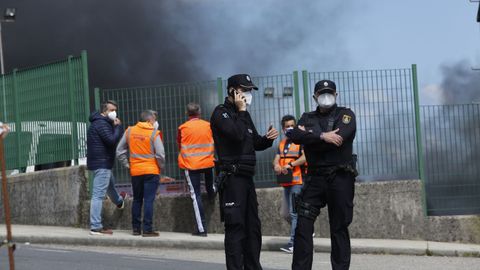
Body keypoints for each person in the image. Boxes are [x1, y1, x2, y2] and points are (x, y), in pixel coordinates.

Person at [210, 74, 279, 270]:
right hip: (232, 180)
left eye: (250, 90)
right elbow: (237, 135)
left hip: (247, 179)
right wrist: (241, 111)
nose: (248, 94)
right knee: (236, 227)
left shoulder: (244, 115)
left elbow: (253, 141)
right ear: (233, 90)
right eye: (245, 90)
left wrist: (267, 139)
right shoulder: (220, 113)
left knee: (253, 228)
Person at [287, 80, 357, 270]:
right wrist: (322, 136)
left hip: (339, 176)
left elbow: (340, 138)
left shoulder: (346, 114)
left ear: (336, 94)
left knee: (339, 227)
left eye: (329, 93)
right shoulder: (307, 116)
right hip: (315, 178)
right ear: (314, 97)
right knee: (303, 224)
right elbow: (293, 135)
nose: (326, 96)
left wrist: (309, 135)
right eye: (322, 93)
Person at [117, 110, 165, 237]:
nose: (155, 123)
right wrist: (161, 166)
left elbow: (119, 151)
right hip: (151, 171)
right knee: (149, 200)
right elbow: (160, 154)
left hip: (136, 171)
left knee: (137, 199)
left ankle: (136, 229)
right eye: (154, 120)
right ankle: (147, 229)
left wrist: (127, 164)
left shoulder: (129, 131)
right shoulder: (154, 133)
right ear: (149, 121)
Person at [87, 100, 125, 235]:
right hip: (102, 163)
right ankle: (96, 226)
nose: (114, 112)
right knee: (98, 195)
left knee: (110, 186)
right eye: (111, 110)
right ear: (104, 111)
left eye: (115, 110)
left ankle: (119, 201)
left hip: (102, 162)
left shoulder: (99, 122)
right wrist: (118, 128)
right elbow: (111, 140)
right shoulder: (102, 124)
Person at [177, 102, 216, 237]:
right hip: (208, 162)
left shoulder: (182, 128)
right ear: (199, 112)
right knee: (210, 186)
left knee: (196, 195)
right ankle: (212, 194)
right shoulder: (208, 125)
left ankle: (201, 229)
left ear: (187, 114)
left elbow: (180, 145)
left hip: (191, 165)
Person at [272, 115, 306, 254]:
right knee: (285, 213)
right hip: (286, 182)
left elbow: (305, 157)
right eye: (287, 126)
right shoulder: (282, 143)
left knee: (294, 212)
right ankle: (306, 229)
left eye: (292, 125)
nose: (290, 128)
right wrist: (276, 165)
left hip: (297, 182)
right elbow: (276, 158)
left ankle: (294, 243)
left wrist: (291, 164)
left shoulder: (301, 141)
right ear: (283, 128)